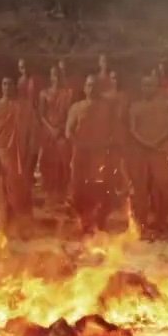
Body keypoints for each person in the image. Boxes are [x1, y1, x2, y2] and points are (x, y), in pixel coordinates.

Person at [0, 76, 39, 231]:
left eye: (10, 84)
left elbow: (33, 135)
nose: (7, 87)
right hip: (1, 157)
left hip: (20, 156)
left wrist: (31, 158)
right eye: (4, 83)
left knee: (21, 192)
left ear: (15, 86)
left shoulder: (26, 107)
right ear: (1, 86)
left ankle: (23, 227)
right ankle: (4, 226)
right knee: (2, 193)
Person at [66, 74, 118, 234]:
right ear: (84, 88)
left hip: (100, 154)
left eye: (94, 85)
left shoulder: (107, 108)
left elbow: (114, 130)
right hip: (81, 154)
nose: (91, 88)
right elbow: (68, 132)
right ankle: (83, 222)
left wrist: (105, 144)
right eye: (89, 85)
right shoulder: (76, 107)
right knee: (78, 189)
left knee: (100, 188)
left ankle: (99, 224)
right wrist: (81, 145)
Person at [125, 74, 168, 235]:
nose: (148, 88)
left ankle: (161, 221)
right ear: (141, 88)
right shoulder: (135, 106)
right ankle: (141, 223)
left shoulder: (166, 105)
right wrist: (146, 143)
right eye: (145, 85)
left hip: (159, 152)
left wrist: (157, 142)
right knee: (140, 189)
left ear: (156, 87)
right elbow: (132, 129)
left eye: (151, 85)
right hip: (140, 153)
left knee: (163, 188)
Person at [38, 66, 74, 206]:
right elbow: (41, 115)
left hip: (62, 132)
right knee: (48, 163)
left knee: (63, 163)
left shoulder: (68, 93)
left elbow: (70, 113)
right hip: (48, 132)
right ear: (50, 76)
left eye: (58, 75)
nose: (56, 78)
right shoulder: (44, 93)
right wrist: (51, 128)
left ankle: (62, 194)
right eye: (54, 75)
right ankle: (50, 195)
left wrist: (60, 128)